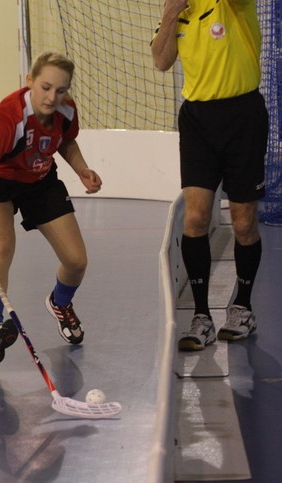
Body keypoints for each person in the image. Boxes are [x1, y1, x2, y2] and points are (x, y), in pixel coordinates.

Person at [0, 51, 103, 364]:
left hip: (39, 178)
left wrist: (82, 169)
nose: (52, 97)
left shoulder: (65, 109)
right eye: (46, 88)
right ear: (30, 81)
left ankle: (60, 303)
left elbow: (66, 141)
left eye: (61, 90)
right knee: (1, 249)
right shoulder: (9, 116)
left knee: (76, 261)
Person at [151, 0, 268, 351]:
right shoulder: (179, 11)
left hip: (243, 115)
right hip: (197, 120)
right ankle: (201, 317)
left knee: (243, 222)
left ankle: (242, 308)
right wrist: (171, 13)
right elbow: (161, 60)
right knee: (196, 217)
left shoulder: (231, 6)